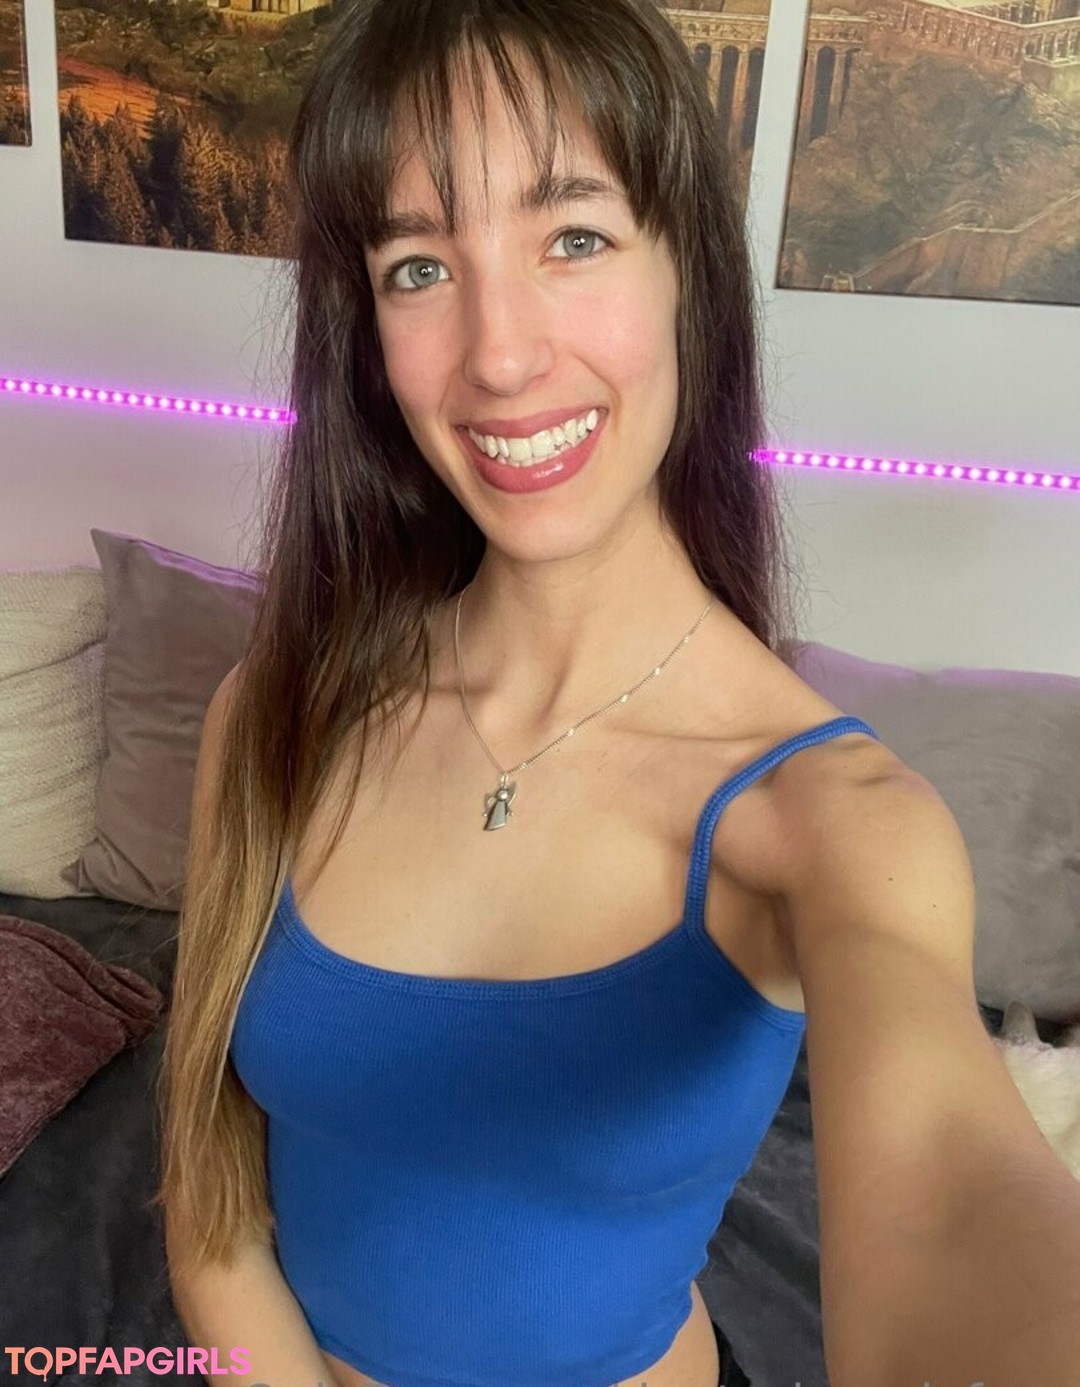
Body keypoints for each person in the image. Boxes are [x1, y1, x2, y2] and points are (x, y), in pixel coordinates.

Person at [157, 2, 1080, 1386]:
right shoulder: (275, 717)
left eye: (574, 238)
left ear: (687, 275)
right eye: (420, 268)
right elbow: (211, 1205)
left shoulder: (837, 823)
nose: (501, 356)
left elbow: (954, 1207)